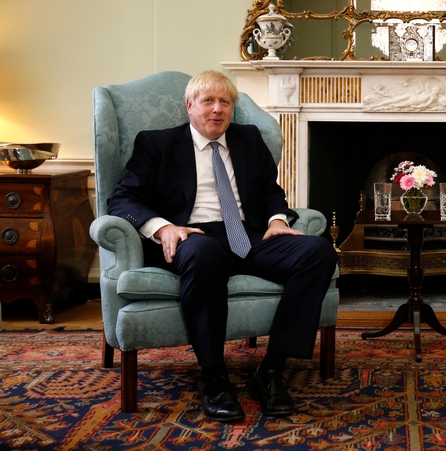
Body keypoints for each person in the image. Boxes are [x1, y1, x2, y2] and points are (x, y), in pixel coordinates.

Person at [107, 70, 337, 422]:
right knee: (204, 253)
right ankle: (213, 376)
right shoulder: (157, 143)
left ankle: (272, 369)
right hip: (192, 236)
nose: (217, 109)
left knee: (317, 251)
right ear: (189, 106)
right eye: (208, 101)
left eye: (225, 102)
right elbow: (123, 198)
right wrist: (164, 228)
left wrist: (277, 221)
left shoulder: (248, 139)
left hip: (248, 235)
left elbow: (269, 192)